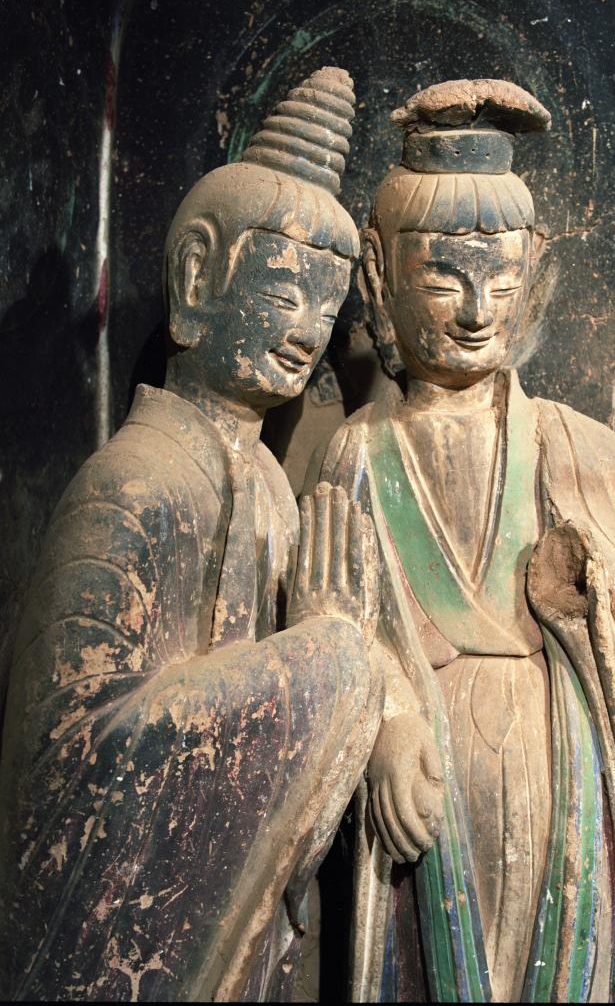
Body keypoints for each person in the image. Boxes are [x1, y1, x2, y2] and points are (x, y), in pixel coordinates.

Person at [307, 78, 615, 1003]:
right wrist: (387, 721)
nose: (476, 311)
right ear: (379, 276)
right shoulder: (356, 452)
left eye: (501, 282)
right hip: (426, 777)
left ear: (533, 280)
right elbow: (334, 623)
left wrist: (595, 586)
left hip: (564, 766)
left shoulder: (573, 442)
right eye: (443, 279)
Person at [0, 66, 382, 1002]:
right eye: (284, 292)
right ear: (198, 276)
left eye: (327, 307)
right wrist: (324, 661)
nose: (308, 333)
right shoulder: (133, 485)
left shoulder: (273, 491)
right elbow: (72, 773)